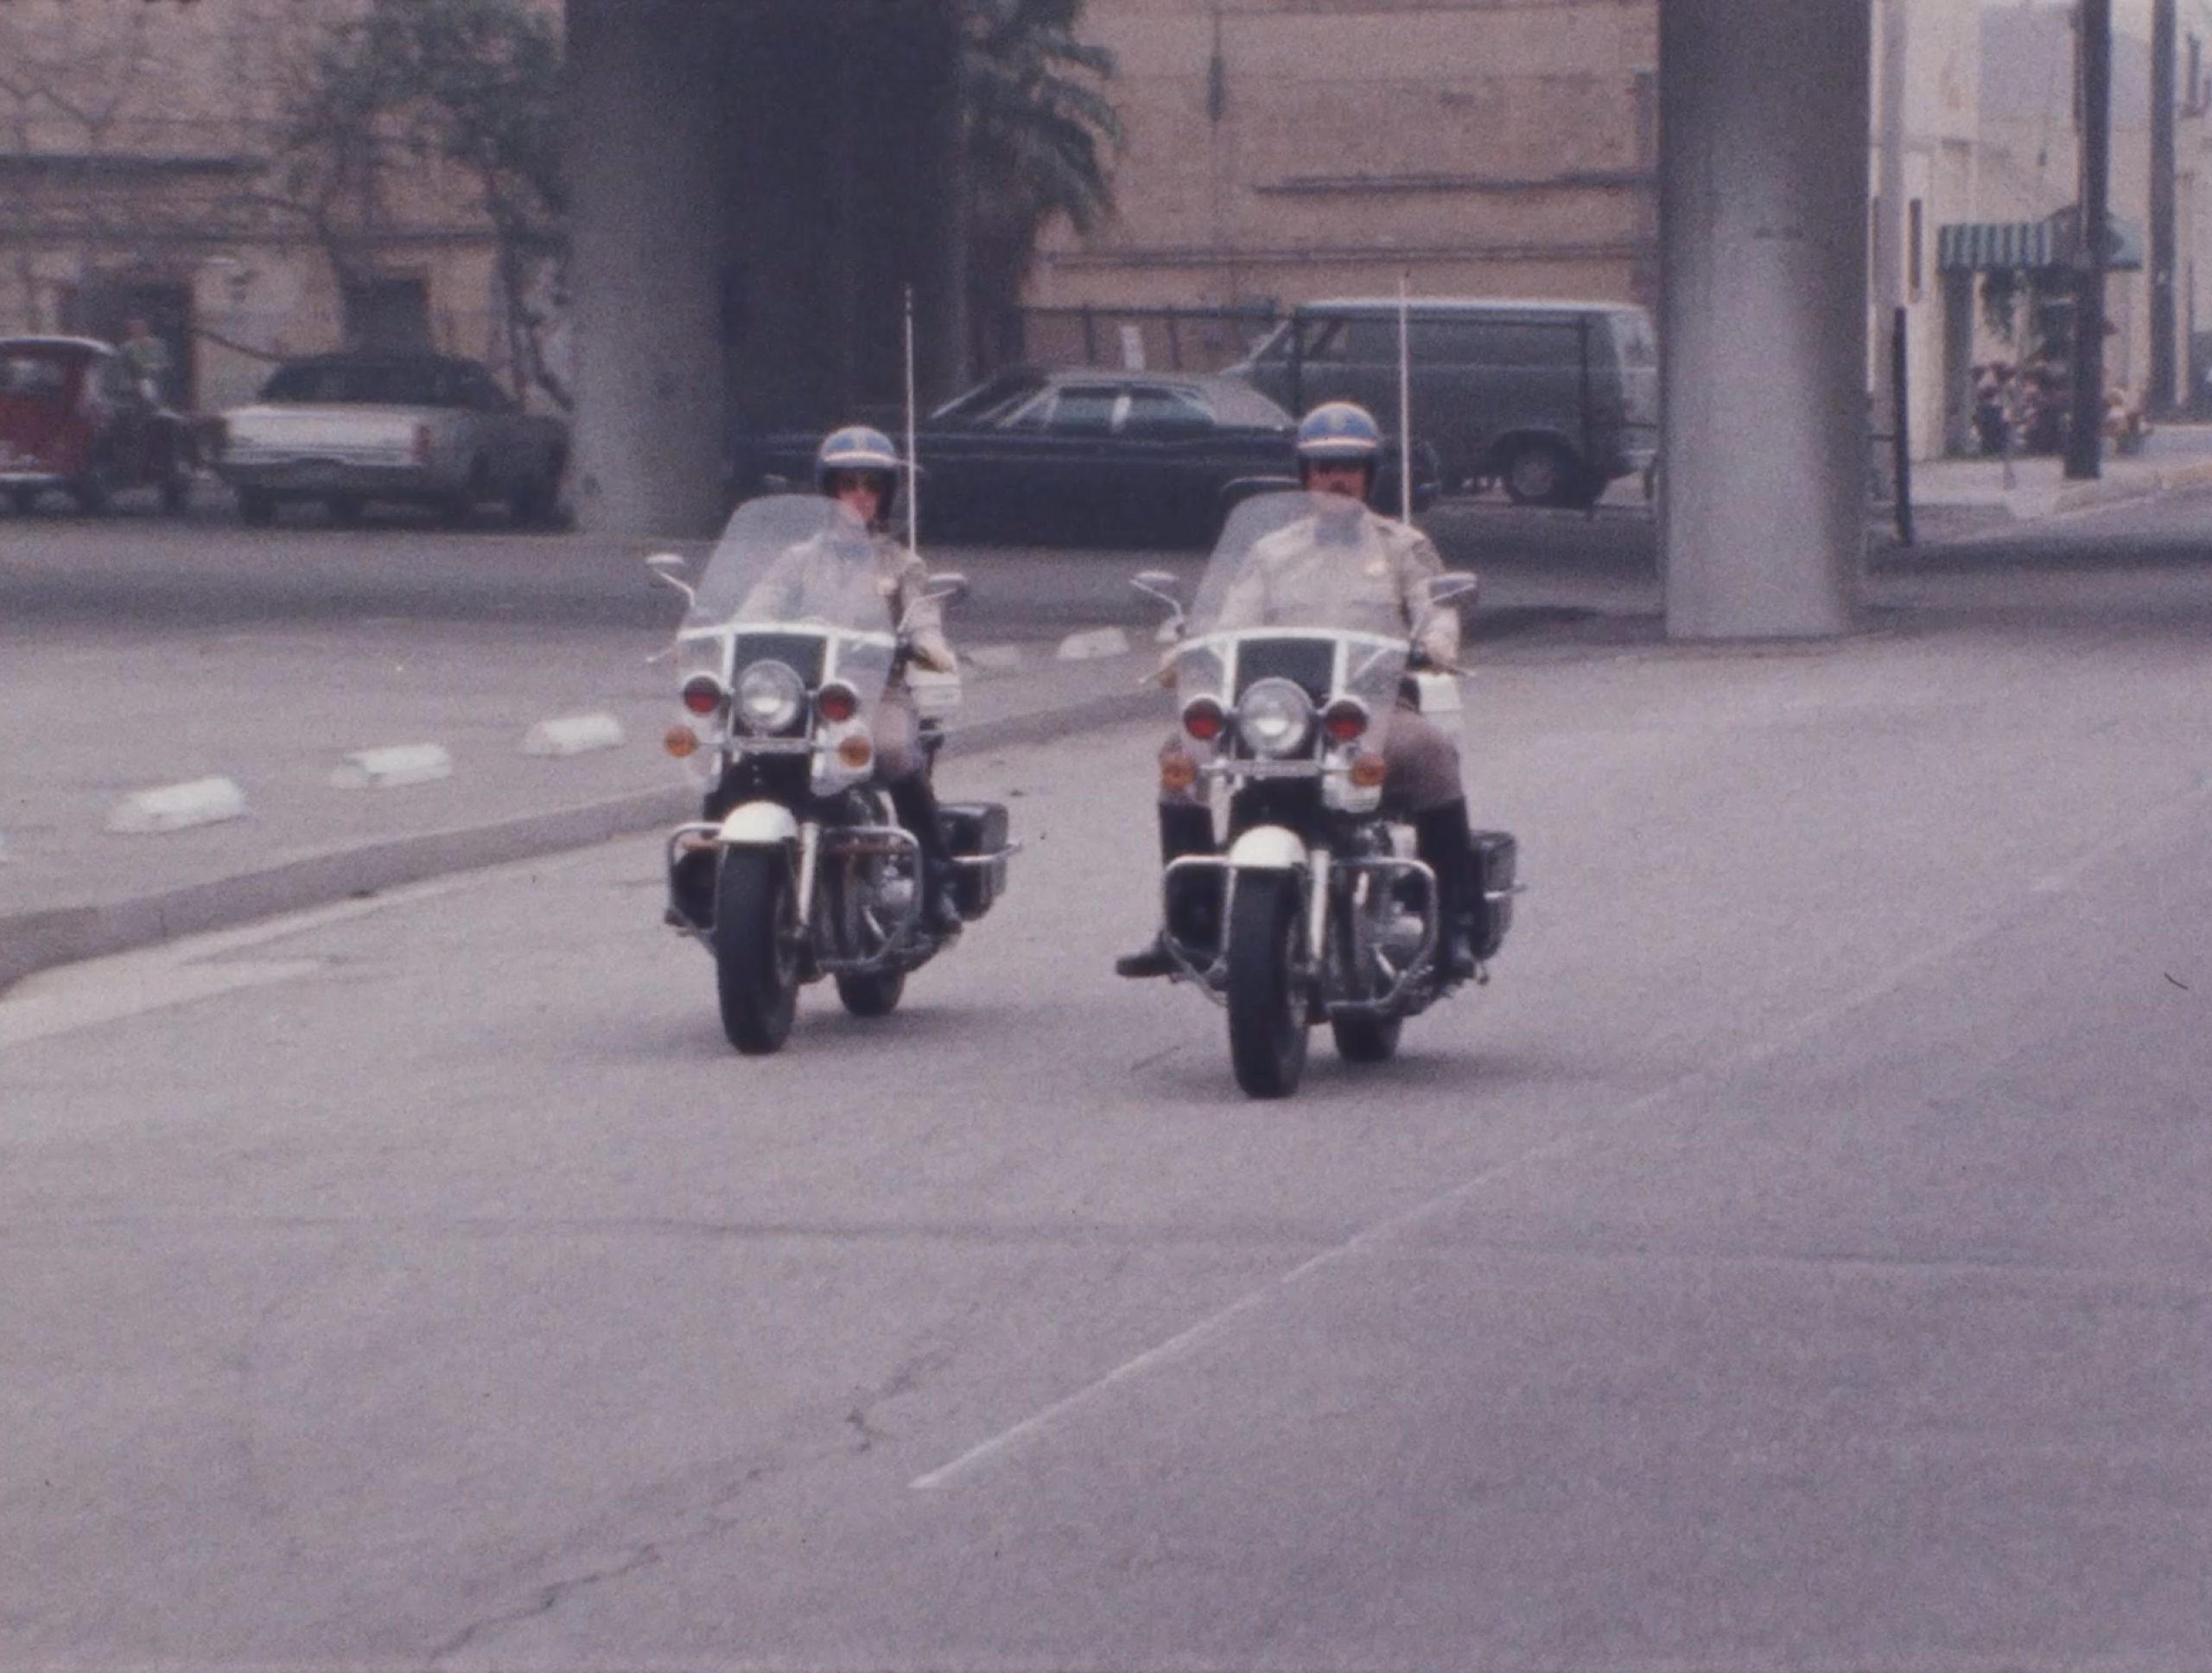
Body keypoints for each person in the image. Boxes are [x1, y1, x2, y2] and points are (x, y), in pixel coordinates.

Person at [1115, 399, 1483, 981]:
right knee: (1180, 756)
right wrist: (1187, 651)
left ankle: (1457, 926)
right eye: (1321, 467)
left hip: (1370, 708)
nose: (1334, 478)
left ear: (1369, 475)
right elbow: (1227, 622)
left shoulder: (1401, 545)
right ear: (1303, 475)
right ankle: (1188, 922)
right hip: (1274, 710)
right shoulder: (1271, 551)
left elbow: (1436, 607)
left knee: (1432, 753)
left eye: (1349, 467)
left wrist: (1438, 641)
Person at [728, 423, 964, 935]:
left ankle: (938, 882)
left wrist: (932, 644)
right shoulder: (798, 559)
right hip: (806, 692)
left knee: (895, 751)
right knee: (737, 746)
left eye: (870, 484)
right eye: (848, 483)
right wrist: (717, 635)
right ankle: (710, 875)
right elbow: (756, 609)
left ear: (884, 494)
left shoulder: (901, 563)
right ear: (830, 490)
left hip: (877, 689)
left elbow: (923, 617)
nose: (859, 494)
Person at [115, 317, 174, 405]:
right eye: (133, 328)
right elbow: (120, 367)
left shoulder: (158, 345)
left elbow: (166, 363)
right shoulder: (126, 348)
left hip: (156, 382)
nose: (137, 330)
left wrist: (155, 367)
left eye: (140, 327)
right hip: (134, 384)